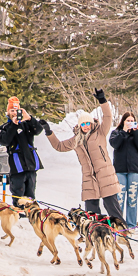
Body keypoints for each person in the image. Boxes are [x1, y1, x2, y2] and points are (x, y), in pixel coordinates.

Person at [40, 89, 124, 219]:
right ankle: (95, 236)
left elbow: (107, 117)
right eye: (83, 124)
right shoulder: (76, 140)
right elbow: (59, 146)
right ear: (79, 126)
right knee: (91, 213)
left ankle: (121, 234)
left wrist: (102, 101)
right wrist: (48, 132)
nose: (85, 126)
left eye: (87, 123)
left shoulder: (100, 132)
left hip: (106, 176)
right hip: (89, 179)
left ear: (91, 123)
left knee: (113, 209)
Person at [0, 96, 44, 205]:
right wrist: (14, 125)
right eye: (12, 110)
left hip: (30, 164)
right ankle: (19, 215)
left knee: (30, 194)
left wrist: (29, 118)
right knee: (18, 193)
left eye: (16, 110)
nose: (14, 113)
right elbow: (5, 141)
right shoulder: (4, 127)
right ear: (8, 112)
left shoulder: (26, 125)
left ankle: (30, 216)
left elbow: (38, 130)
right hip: (17, 167)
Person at [108, 111, 138, 225]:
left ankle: (131, 224)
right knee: (119, 199)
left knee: (132, 198)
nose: (130, 123)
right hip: (120, 170)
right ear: (123, 122)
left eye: (132, 121)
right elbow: (115, 144)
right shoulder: (116, 133)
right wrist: (123, 131)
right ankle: (119, 224)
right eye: (127, 121)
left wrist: (136, 132)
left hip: (134, 171)